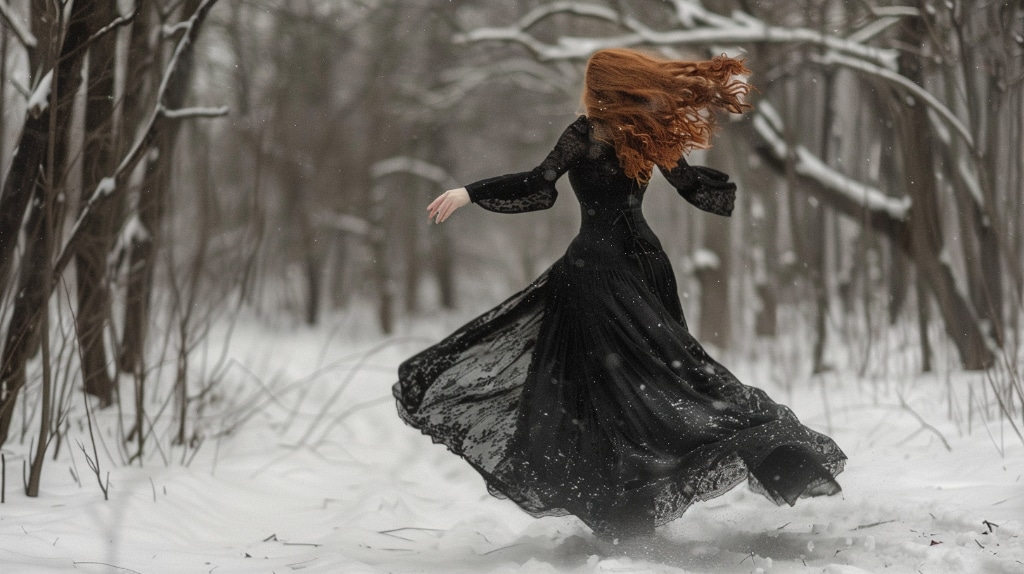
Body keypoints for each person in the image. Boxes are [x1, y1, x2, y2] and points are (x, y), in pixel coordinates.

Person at [393, 48, 845, 543]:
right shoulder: (648, 134)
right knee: (670, 375)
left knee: (601, 387)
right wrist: (732, 189)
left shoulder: (585, 135)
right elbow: (693, 187)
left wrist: (469, 193)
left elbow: (537, 184)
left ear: (598, 90)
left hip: (597, 269)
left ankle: (627, 504)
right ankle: (764, 459)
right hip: (645, 264)